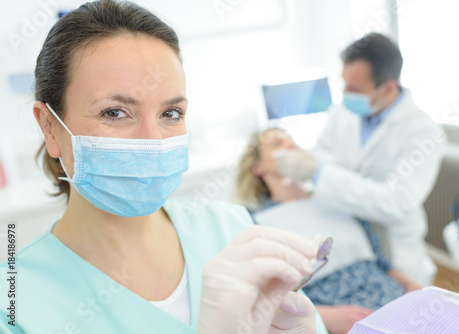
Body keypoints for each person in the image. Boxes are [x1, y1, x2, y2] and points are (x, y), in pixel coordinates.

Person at [0, 1, 328, 333]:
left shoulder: (230, 227)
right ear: (49, 127)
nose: (152, 140)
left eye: (170, 113)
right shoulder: (13, 304)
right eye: (115, 112)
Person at [273, 33, 447, 286]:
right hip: (347, 234)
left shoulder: (424, 133)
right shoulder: (342, 112)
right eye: (344, 83)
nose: (345, 94)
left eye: (354, 88)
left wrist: (321, 174)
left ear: (387, 87)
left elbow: (396, 201)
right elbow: (324, 152)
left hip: (394, 247)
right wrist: (313, 166)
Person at [235, 128, 423, 334]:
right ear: (258, 167)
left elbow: (381, 262)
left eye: (292, 142)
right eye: (277, 144)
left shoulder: (336, 198)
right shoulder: (255, 223)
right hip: (335, 317)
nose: (289, 145)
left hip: (394, 301)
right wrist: (322, 316)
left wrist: (410, 284)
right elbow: (260, 300)